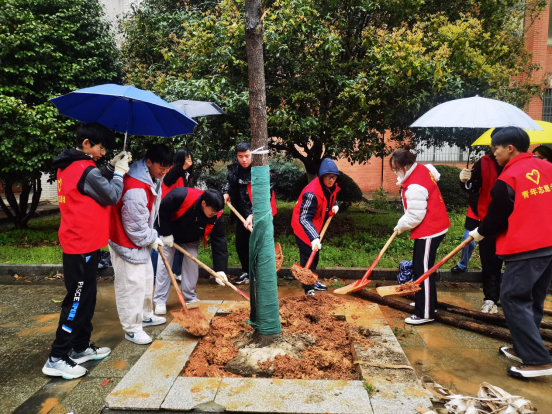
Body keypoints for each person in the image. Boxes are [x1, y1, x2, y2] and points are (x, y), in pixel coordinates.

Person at [43, 123, 130, 380]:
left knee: (87, 298)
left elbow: (90, 184)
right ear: (86, 143)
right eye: (101, 147)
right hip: (81, 245)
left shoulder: (70, 164)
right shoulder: (85, 169)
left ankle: (80, 347)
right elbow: (111, 195)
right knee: (77, 301)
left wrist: (110, 167)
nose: (103, 152)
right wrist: (119, 174)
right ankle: (57, 357)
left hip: (83, 243)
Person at [470, 127, 552, 378]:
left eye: (495, 148)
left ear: (510, 148)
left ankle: (538, 361)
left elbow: (496, 216)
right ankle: (524, 349)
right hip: (548, 245)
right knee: (533, 298)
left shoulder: (510, 177)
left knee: (513, 298)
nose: (493, 153)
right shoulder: (548, 168)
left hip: (526, 247)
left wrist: (480, 232)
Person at [109, 143, 173, 345]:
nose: (164, 171)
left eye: (167, 167)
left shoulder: (150, 177)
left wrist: (151, 237)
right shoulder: (136, 187)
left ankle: (145, 315)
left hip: (139, 239)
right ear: (149, 162)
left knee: (145, 279)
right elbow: (134, 228)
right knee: (131, 286)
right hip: (125, 241)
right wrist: (152, 238)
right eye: (161, 167)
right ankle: (132, 329)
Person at [391, 148, 450, 325]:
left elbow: (414, 216)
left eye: (397, 168)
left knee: (423, 271)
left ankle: (425, 313)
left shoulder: (415, 186)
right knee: (423, 268)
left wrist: (400, 226)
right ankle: (428, 302)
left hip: (430, 229)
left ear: (407, 165)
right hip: (435, 224)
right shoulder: (423, 169)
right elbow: (435, 175)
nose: (396, 172)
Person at [154, 188, 229, 314]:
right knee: (164, 264)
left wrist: (220, 269)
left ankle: (190, 297)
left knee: (192, 263)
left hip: (192, 238)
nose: (215, 213)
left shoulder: (217, 215)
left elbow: (219, 240)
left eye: (217, 211)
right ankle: (160, 300)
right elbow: (163, 209)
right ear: (204, 203)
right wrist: (165, 233)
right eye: (213, 210)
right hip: (170, 234)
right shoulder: (182, 196)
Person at [455, 145, 503, 314]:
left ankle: (513, 299)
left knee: (515, 264)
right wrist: (464, 181)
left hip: (514, 223)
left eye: (498, 147)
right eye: (493, 146)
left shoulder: (521, 166)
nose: (495, 151)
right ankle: (491, 299)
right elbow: (472, 188)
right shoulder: (484, 163)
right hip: (488, 221)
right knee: (490, 261)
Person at [223, 142, 276, 285]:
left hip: (259, 213)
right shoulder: (235, 169)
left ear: (252, 154)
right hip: (241, 212)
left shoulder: (261, 172)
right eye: (240, 156)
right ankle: (247, 271)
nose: (244, 159)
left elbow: (266, 197)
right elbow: (229, 182)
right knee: (241, 244)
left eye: (247, 156)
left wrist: (253, 215)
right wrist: (226, 192)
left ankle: (260, 272)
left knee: (258, 244)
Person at [291, 158, 340, 295]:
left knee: (315, 256)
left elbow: (331, 195)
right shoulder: (311, 193)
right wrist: (313, 238)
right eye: (328, 177)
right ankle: (308, 288)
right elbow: (303, 218)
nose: (331, 180)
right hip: (303, 227)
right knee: (308, 256)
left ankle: (312, 280)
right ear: (322, 176)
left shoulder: (329, 187)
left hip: (316, 225)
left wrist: (334, 204)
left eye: (334, 177)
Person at [151, 148, 194, 280]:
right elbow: (169, 180)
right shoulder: (171, 171)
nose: (189, 161)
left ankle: (176, 271)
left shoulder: (187, 174)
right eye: (186, 158)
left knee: (180, 243)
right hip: (165, 212)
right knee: (161, 243)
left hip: (179, 213)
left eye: (190, 158)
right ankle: (154, 272)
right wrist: (183, 167)